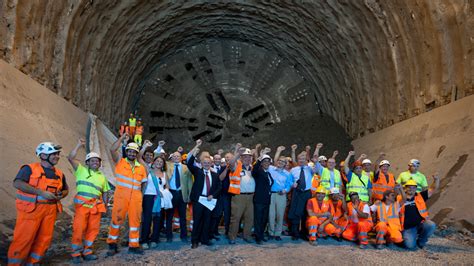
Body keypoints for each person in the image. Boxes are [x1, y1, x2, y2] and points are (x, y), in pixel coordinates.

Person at [8, 142, 69, 265]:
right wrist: (41, 193)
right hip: (31, 211)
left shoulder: (60, 174)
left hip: (50, 212)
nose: (57, 156)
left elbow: (65, 189)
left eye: (57, 154)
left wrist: (61, 195)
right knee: (23, 239)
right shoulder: (29, 169)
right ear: (43, 155)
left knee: (44, 239)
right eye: (53, 154)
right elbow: (18, 183)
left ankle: (34, 262)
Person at [68, 139, 110, 262]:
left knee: (93, 230)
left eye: (97, 161)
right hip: (82, 206)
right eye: (92, 160)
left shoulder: (102, 177)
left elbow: (106, 192)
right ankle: (76, 254)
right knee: (79, 229)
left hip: (96, 207)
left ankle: (87, 251)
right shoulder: (81, 170)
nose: (95, 162)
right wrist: (78, 145)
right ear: (87, 162)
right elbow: (70, 158)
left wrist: (105, 205)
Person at [107, 134, 147, 255]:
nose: (132, 154)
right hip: (121, 197)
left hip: (136, 197)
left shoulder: (141, 168)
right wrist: (121, 138)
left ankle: (133, 245)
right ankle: (112, 244)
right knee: (116, 220)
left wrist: (141, 195)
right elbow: (112, 150)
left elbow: (144, 183)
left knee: (135, 221)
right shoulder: (120, 162)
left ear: (136, 154)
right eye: (130, 152)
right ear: (126, 151)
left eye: (134, 152)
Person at [186, 139, 222, 248]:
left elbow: (219, 187)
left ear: (211, 163)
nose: (206, 164)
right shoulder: (197, 171)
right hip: (198, 200)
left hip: (209, 200)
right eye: (204, 163)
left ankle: (205, 239)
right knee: (197, 221)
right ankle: (195, 241)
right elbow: (189, 163)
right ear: (201, 163)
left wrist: (213, 195)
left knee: (207, 221)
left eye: (208, 163)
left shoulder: (215, 174)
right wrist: (196, 150)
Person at [137, 140, 168, 249]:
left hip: (160, 198)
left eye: (161, 162)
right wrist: (145, 146)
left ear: (163, 164)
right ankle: (145, 240)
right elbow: (139, 157)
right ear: (153, 162)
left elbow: (167, 186)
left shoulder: (164, 174)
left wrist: (165, 193)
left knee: (157, 220)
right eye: (157, 161)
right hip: (149, 197)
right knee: (147, 219)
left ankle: (154, 239)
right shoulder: (148, 169)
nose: (159, 163)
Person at [288, 144, 320, 241]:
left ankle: (305, 233)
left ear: (306, 160)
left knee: (306, 213)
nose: (301, 160)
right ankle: (295, 233)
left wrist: (316, 162)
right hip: (297, 193)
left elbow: (317, 169)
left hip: (306, 193)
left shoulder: (309, 169)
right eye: (300, 159)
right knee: (295, 213)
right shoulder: (293, 170)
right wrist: (292, 184)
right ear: (297, 160)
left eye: (303, 159)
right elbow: (289, 181)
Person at [228, 144, 257, 244]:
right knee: (236, 218)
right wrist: (237, 153)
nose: (247, 158)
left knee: (249, 218)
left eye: (249, 157)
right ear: (241, 157)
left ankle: (247, 236)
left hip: (251, 197)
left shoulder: (253, 168)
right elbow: (231, 163)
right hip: (239, 196)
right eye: (244, 156)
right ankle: (232, 237)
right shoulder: (237, 166)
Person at [401, 176, 440, 250]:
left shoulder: (420, 196)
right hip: (408, 228)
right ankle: (412, 236)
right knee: (409, 246)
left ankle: (421, 241)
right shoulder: (400, 198)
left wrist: (436, 180)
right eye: (409, 187)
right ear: (405, 188)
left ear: (416, 189)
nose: (411, 189)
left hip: (421, 223)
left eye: (413, 187)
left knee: (431, 225)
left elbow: (433, 189)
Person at [165, 147, 193, 243]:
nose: (176, 157)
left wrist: (189, 194)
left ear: (181, 158)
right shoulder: (167, 165)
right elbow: (157, 159)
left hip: (182, 193)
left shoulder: (186, 167)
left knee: (183, 216)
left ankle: (184, 236)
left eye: (178, 156)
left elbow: (189, 181)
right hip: (171, 193)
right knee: (169, 216)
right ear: (171, 158)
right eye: (174, 156)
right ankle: (169, 236)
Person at [268, 146, 293, 241]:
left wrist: (285, 190)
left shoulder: (287, 174)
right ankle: (271, 232)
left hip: (281, 195)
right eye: (279, 161)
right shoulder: (271, 169)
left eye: (283, 162)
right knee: (271, 214)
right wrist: (278, 151)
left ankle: (277, 233)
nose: (280, 163)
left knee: (280, 214)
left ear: (285, 164)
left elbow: (289, 185)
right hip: (271, 194)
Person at [252, 148, 274, 244]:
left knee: (264, 219)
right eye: (264, 161)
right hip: (259, 199)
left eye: (268, 162)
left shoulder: (268, 173)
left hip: (266, 200)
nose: (266, 163)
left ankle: (261, 235)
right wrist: (260, 158)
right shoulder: (258, 172)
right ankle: (258, 237)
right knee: (258, 219)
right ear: (261, 163)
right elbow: (255, 169)